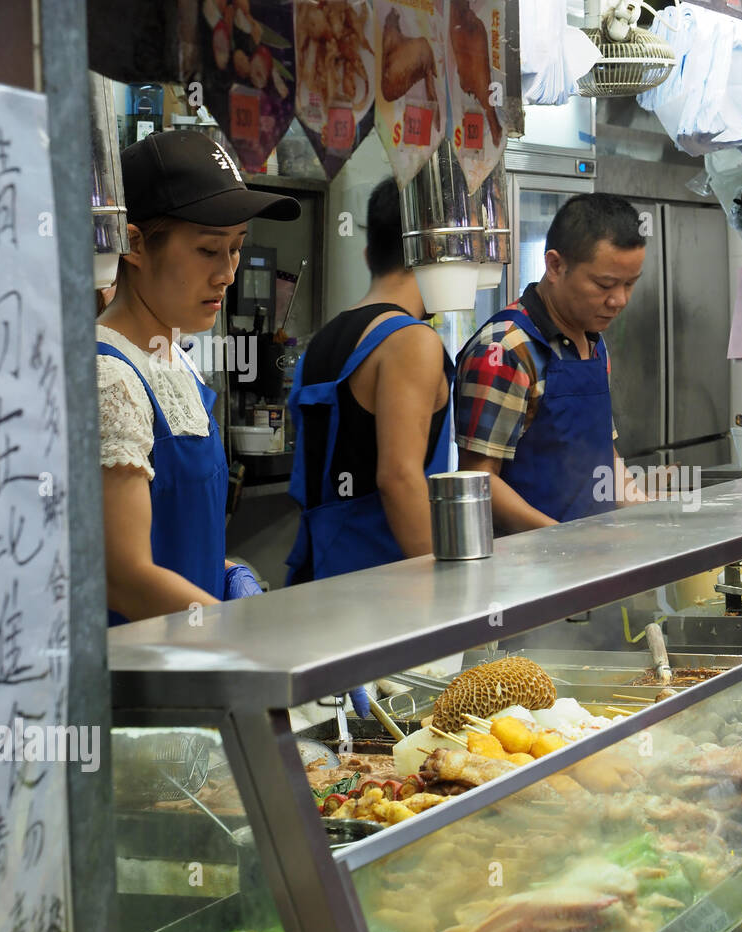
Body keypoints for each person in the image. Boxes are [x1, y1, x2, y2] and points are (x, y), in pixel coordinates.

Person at [97, 130, 300, 624]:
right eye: (209, 250)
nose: (228, 273)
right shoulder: (108, 377)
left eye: (236, 248)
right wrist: (250, 639)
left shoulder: (175, 359)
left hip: (197, 671)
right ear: (135, 243)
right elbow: (122, 576)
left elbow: (180, 541)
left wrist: (229, 573)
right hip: (136, 685)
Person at [285, 178, 453, 583]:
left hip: (320, 574)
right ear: (435, 252)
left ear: (368, 255)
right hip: (384, 582)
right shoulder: (412, 340)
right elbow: (398, 479)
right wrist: (453, 594)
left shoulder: (324, 340)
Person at [454, 192, 647, 530]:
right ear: (555, 266)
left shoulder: (593, 341)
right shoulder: (505, 349)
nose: (619, 300)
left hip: (593, 560)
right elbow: (478, 479)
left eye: (630, 284)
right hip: (527, 570)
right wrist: (561, 542)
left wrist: (644, 517)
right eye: (605, 284)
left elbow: (604, 452)